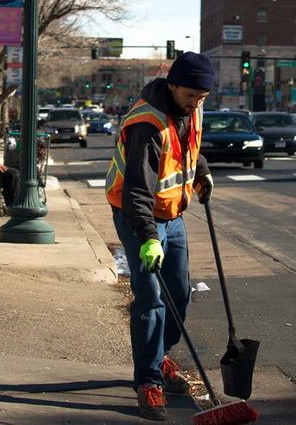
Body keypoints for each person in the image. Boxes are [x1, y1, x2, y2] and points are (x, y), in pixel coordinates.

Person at [105, 52, 216, 421]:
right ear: (172, 85)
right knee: (151, 297)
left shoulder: (192, 107)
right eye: (191, 96)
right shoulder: (147, 126)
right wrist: (149, 238)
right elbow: (137, 191)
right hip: (138, 217)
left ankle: (161, 355)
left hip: (173, 214)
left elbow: (189, 145)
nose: (197, 102)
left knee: (179, 293)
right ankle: (148, 383)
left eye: (203, 97)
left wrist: (201, 171)